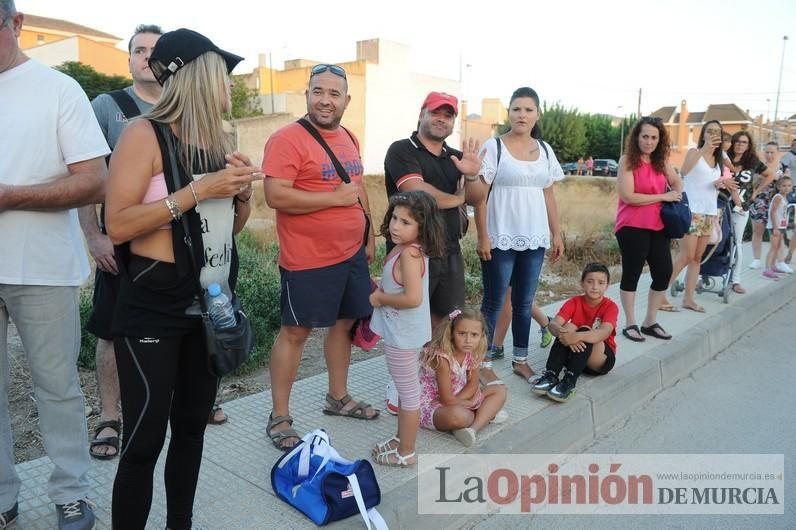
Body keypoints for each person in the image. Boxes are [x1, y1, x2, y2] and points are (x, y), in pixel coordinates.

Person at [104, 28, 258, 529]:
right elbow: (119, 224)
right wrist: (196, 190)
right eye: (223, 75)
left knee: (191, 430)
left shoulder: (219, 141)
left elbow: (228, 231)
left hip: (209, 302)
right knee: (144, 441)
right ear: (193, 76)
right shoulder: (142, 134)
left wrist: (239, 196)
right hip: (153, 300)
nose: (230, 87)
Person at [0, 3, 109, 529]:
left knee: (56, 386)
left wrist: (11, 196)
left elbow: (94, 180)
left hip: (41, 268)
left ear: (15, 24)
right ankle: (3, 496)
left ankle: (72, 492)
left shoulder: (58, 90)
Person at [263, 63, 378, 451]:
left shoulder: (348, 136)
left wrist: (370, 231)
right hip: (308, 258)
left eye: (333, 93)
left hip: (351, 254)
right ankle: (279, 415)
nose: (325, 100)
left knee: (345, 324)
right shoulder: (287, 139)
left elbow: (357, 186)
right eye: (318, 92)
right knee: (295, 332)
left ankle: (338, 397)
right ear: (307, 94)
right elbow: (275, 196)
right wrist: (332, 200)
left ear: (346, 99)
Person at [77, 23, 164, 462]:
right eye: (139, 49)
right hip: (120, 245)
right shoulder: (107, 107)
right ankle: (110, 416)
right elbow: (86, 176)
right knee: (111, 331)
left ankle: (179, 403)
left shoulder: (179, 106)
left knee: (173, 328)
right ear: (129, 59)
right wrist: (94, 236)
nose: (147, 56)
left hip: (171, 247)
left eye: (155, 49)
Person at [464, 86, 564, 384]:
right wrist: (484, 236)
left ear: (537, 114)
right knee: (493, 302)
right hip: (501, 236)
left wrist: (556, 233)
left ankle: (521, 360)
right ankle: (480, 362)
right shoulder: (493, 147)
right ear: (509, 112)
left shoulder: (545, 150)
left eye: (528, 109)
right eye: (517, 109)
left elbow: (548, 195)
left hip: (534, 238)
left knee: (524, 301)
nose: (522, 115)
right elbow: (480, 196)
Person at [384, 91, 482, 330]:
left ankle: (435, 368)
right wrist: (458, 199)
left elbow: (477, 199)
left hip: (449, 249)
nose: (441, 119)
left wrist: (472, 175)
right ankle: (410, 369)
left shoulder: (457, 158)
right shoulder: (401, 150)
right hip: (412, 251)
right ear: (421, 114)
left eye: (448, 115)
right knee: (409, 322)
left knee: (446, 322)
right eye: (435, 112)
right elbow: (417, 193)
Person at [369, 190, 445, 467]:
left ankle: (407, 452)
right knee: (405, 389)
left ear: (422, 227)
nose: (395, 226)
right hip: (403, 334)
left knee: (408, 393)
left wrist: (380, 297)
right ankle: (401, 438)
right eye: (395, 219)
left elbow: (412, 298)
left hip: (404, 337)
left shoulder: (409, 256)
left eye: (405, 222)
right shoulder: (406, 250)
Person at [614, 116, 682, 342]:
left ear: (659, 140)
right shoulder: (627, 161)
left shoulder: (661, 162)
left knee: (663, 272)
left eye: (654, 137)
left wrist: (677, 194)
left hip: (658, 225)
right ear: (637, 137)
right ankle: (630, 322)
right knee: (632, 273)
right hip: (631, 225)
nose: (649, 141)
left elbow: (677, 181)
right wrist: (664, 195)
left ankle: (650, 321)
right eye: (645, 136)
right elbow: (629, 196)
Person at [668, 120, 732, 314]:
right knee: (685, 256)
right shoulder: (695, 153)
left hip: (709, 212)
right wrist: (704, 149)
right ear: (703, 133)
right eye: (710, 131)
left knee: (697, 258)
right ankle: (659, 293)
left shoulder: (719, 159)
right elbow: (684, 172)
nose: (714, 135)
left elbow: (717, 180)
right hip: (692, 211)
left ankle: (688, 299)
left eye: (717, 132)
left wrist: (720, 184)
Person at [418, 308, 507, 447]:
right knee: (460, 416)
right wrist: (471, 404)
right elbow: (446, 398)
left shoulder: (473, 353)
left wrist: (468, 401)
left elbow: (472, 385)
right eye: (462, 333)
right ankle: (485, 415)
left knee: (500, 390)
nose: (468, 340)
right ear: (452, 333)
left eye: (474, 335)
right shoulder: (442, 358)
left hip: (459, 396)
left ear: (481, 336)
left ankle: (472, 430)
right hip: (433, 404)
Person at [530, 263, 618, 402]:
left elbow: (604, 332)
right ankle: (551, 375)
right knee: (567, 327)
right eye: (590, 282)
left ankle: (569, 381)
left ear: (607, 286)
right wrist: (563, 334)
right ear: (582, 283)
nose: (595, 287)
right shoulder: (574, 302)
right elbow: (553, 324)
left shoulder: (610, 306)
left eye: (601, 283)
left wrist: (576, 336)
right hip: (575, 359)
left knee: (583, 330)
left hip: (599, 360)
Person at [723, 131, 778, 290]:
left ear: (748, 145)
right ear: (733, 142)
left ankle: (736, 281)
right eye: (738, 141)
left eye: (744, 142)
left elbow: (771, 175)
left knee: (737, 244)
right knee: (715, 241)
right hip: (722, 204)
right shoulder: (724, 157)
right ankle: (704, 276)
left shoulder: (753, 161)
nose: (740, 144)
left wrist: (757, 191)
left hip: (742, 206)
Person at [763, 177, 794, 279]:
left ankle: (773, 266)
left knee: (777, 247)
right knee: (773, 248)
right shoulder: (778, 197)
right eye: (784, 186)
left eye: (789, 185)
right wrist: (775, 227)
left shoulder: (785, 197)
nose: (786, 188)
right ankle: (767, 269)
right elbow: (772, 212)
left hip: (781, 226)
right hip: (775, 226)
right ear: (778, 187)